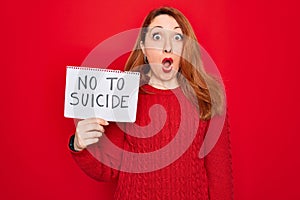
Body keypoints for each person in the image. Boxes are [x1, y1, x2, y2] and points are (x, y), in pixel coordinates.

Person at [69, 6, 233, 200]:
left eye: (177, 37)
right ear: (144, 49)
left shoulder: (207, 98)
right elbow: (106, 169)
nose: (168, 46)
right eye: (157, 36)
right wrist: (78, 144)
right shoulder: (124, 96)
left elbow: (220, 177)